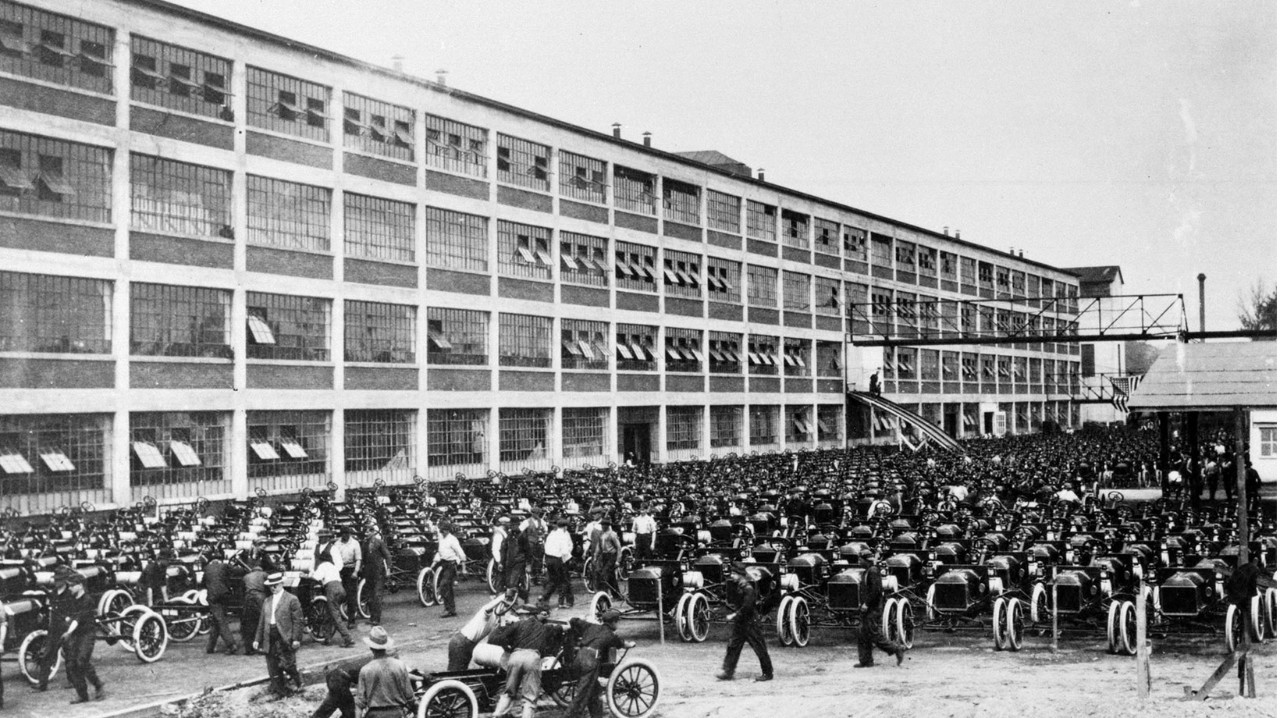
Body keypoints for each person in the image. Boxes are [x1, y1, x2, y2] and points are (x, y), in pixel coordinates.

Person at [487, 604, 560, 718]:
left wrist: (503, 624)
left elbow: (493, 639)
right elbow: (562, 628)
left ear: (527, 615)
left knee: (509, 692)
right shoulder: (544, 627)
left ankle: (497, 714)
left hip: (515, 657)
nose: (519, 617)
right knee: (529, 698)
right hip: (532, 658)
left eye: (520, 615)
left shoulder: (517, 625)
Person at [564, 610, 634, 718]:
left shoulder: (591, 626)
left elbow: (574, 620)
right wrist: (632, 644)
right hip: (590, 660)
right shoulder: (611, 635)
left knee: (594, 692)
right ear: (613, 622)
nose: (618, 624)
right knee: (582, 697)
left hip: (578, 658)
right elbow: (623, 644)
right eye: (617, 622)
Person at [716, 562, 772, 682]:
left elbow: (747, 607)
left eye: (733, 574)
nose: (731, 576)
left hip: (750, 623)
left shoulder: (748, 589)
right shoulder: (739, 587)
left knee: (759, 648)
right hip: (742, 622)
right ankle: (728, 672)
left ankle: (768, 673)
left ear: (740, 575)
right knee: (733, 646)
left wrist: (734, 615)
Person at [254, 572, 304, 698]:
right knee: (272, 664)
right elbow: (261, 621)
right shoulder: (267, 601)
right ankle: (280, 690)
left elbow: (298, 621)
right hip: (269, 635)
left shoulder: (291, 599)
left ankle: (298, 681)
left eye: (275, 585)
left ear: (282, 584)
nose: (273, 588)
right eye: (271, 586)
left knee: (287, 663)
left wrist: (296, 639)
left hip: (285, 636)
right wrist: (257, 639)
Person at [61, 573, 105, 704]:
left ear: (80, 586)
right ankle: (82, 695)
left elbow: (78, 619)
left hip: (87, 634)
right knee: (72, 664)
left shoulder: (87, 600)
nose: (69, 588)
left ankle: (98, 685)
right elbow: (70, 616)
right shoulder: (73, 600)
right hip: (76, 634)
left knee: (82, 661)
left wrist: (68, 632)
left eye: (71, 586)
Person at [447, 589, 518, 671]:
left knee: (462, 672)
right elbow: (489, 607)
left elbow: (504, 624)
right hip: (461, 643)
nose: (506, 609)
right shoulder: (487, 613)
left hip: (469, 644)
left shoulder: (500, 616)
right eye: (504, 605)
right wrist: (503, 597)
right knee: (455, 673)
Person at [354, 627, 415, 718]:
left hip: (374, 715)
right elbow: (410, 697)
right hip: (397, 713)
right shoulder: (399, 665)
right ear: (386, 646)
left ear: (371, 647)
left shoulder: (365, 670)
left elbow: (359, 703)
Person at [856, 554, 905, 668]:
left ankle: (897, 649)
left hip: (873, 608)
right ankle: (866, 661)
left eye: (860, 559)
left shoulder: (872, 571)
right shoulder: (869, 570)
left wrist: (866, 604)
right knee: (862, 633)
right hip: (870, 607)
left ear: (866, 560)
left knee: (873, 634)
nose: (858, 561)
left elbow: (875, 590)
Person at [203, 550, 241, 655]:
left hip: (213, 597)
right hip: (224, 595)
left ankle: (221, 646)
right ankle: (218, 646)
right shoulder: (224, 566)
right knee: (219, 620)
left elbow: (203, 583)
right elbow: (238, 571)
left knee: (219, 619)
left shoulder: (207, 568)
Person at [313, 554, 355, 647]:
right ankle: (327, 638)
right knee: (329, 613)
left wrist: (306, 575)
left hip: (331, 589)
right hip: (340, 589)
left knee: (335, 616)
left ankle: (348, 638)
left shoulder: (322, 566)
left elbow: (316, 577)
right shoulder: (333, 566)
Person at [331, 527, 363, 630]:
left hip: (351, 569)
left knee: (351, 596)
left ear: (350, 534)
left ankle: (351, 620)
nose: (345, 535)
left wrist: (355, 571)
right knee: (338, 594)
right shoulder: (337, 544)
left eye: (347, 533)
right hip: (340, 569)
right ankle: (338, 620)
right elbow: (334, 558)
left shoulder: (355, 543)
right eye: (343, 534)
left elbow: (358, 559)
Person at [540, 517, 575, 608]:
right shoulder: (563, 535)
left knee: (552, 581)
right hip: (558, 559)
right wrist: (568, 559)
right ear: (565, 527)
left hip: (549, 559)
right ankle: (564, 602)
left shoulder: (552, 534)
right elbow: (564, 552)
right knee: (565, 581)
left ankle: (544, 598)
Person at [434, 522, 465, 618]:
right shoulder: (441, 537)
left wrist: (464, 568)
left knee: (444, 585)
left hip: (451, 564)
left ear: (447, 530)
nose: (441, 532)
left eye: (443, 531)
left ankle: (449, 609)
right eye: (440, 531)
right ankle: (450, 609)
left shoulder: (453, 540)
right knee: (447, 587)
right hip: (443, 563)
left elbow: (461, 554)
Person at [363, 526, 392, 626]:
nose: (366, 533)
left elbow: (387, 556)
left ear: (372, 532)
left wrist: (388, 569)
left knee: (377, 595)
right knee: (369, 596)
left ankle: (377, 618)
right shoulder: (365, 544)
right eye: (365, 531)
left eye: (368, 531)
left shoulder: (379, 543)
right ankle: (372, 617)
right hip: (368, 573)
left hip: (379, 572)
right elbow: (363, 558)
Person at [241, 561, 268, 656]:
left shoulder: (246, 576)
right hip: (260, 598)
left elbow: (242, 589)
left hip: (248, 598)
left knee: (248, 624)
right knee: (262, 621)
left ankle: (248, 649)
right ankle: (262, 647)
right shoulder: (264, 574)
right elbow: (269, 587)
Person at [501, 515, 529, 602]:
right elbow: (504, 549)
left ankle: (514, 600)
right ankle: (521, 598)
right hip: (509, 562)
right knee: (509, 583)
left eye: (514, 525)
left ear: (518, 525)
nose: (512, 527)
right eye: (511, 525)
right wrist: (501, 562)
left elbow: (528, 551)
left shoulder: (522, 536)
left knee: (512, 583)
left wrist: (528, 564)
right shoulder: (509, 536)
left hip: (519, 562)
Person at [593, 520, 622, 598]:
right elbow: (598, 546)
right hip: (604, 555)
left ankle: (604, 594)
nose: (602, 527)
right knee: (611, 576)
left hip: (612, 556)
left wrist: (618, 560)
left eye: (603, 525)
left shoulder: (612, 534)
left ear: (607, 526)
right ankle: (617, 595)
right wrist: (595, 556)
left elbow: (618, 547)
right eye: (601, 525)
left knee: (604, 575)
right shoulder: (601, 535)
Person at [521, 507, 549, 582]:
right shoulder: (526, 522)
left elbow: (546, 529)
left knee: (540, 555)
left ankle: (537, 574)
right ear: (532, 513)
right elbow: (520, 530)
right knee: (530, 554)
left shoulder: (542, 521)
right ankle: (529, 570)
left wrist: (544, 533)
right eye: (535, 513)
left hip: (538, 541)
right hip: (529, 541)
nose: (537, 515)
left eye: (538, 513)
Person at [491, 517, 509, 595]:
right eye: (508, 523)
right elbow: (495, 549)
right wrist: (498, 561)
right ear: (504, 524)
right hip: (501, 557)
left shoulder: (505, 532)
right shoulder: (498, 533)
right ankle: (499, 592)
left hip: (506, 556)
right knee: (500, 576)